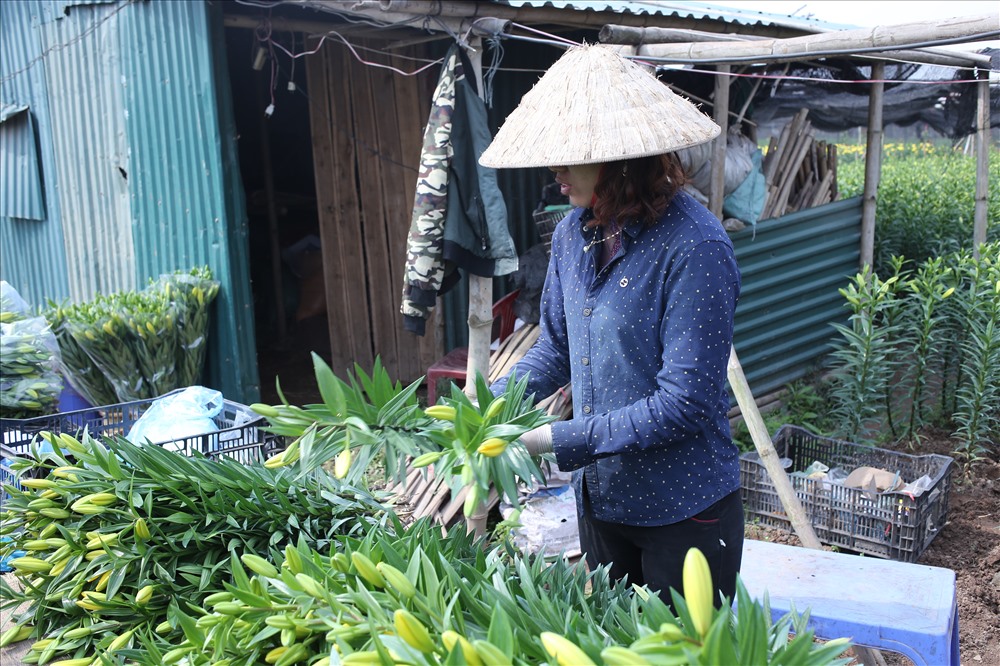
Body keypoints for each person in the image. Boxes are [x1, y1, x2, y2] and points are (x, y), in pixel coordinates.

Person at [480, 44, 744, 607]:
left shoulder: (695, 248)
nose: (555, 171)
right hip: (603, 499)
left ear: (622, 160)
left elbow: (686, 402)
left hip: (684, 511)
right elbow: (554, 344)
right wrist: (495, 404)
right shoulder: (575, 235)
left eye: (572, 156)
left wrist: (555, 438)